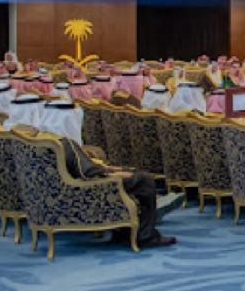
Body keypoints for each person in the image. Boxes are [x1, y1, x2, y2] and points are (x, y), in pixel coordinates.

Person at [39, 99, 177, 248]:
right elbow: (89, 173)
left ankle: (124, 231)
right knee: (144, 180)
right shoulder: (65, 144)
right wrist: (112, 174)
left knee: (131, 174)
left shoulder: (41, 141)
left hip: (59, 194)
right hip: (86, 190)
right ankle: (145, 236)